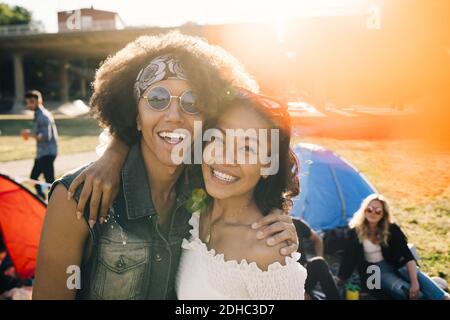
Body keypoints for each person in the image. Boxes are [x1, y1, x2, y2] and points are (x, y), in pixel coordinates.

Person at [33, 33, 299, 300]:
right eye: (157, 99)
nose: (174, 116)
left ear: (207, 120)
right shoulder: (78, 198)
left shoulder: (201, 193)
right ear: (135, 115)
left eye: (192, 103)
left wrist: (277, 233)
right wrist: (115, 150)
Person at [176, 88, 306, 299]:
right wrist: (114, 153)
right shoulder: (193, 212)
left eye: (247, 149)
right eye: (218, 138)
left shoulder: (268, 252)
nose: (226, 158)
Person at [337, 194, 449, 300]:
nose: (373, 213)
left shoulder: (392, 229)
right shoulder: (355, 231)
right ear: (364, 210)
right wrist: (340, 278)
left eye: (378, 211)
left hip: (396, 264)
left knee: (411, 275)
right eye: (369, 209)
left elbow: (407, 256)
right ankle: (431, 289)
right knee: (403, 290)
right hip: (374, 270)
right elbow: (348, 258)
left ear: (383, 214)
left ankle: (443, 297)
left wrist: (415, 282)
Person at [21, 90, 58, 200]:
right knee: (34, 178)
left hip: (47, 153)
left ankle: (53, 203)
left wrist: (29, 134)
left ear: (39, 100)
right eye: (27, 102)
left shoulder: (43, 116)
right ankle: (42, 198)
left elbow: (46, 136)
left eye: (31, 101)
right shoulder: (38, 114)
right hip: (41, 153)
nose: (29, 104)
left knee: (50, 181)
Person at [293, 217, 341, 299]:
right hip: (282, 283)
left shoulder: (296, 223)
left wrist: (321, 256)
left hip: (302, 275)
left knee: (319, 263)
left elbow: (317, 239)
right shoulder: (267, 231)